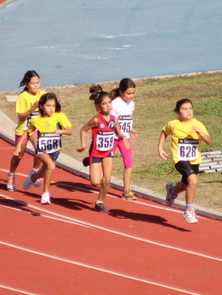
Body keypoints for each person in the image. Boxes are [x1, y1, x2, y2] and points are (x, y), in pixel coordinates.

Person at [158, 99, 212, 224]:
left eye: (190, 108)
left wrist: (201, 133)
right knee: (193, 180)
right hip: (180, 159)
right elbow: (164, 132)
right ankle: (188, 210)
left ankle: (172, 191)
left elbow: (209, 140)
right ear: (177, 112)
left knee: (186, 184)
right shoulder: (173, 124)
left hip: (194, 160)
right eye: (184, 109)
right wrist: (160, 148)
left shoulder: (198, 124)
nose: (188, 111)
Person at [77, 85, 128, 213]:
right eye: (104, 104)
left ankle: (100, 202)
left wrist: (124, 138)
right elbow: (83, 130)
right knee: (94, 182)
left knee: (107, 179)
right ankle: (89, 160)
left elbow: (118, 132)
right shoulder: (96, 120)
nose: (108, 106)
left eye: (109, 103)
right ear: (99, 106)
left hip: (108, 152)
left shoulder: (113, 119)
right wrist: (83, 144)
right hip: (95, 152)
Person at [14, 93, 72, 205]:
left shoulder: (60, 116)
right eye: (48, 105)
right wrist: (18, 145)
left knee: (44, 171)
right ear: (41, 106)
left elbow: (69, 131)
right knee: (51, 166)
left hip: (54, 149)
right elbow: (27, 133)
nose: (51, 108)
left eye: (53, 106)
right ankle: (45, 194)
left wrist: (62, 131)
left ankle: (32, 178)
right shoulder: (36, 119)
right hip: (41, 149)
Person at [7, 70, 46, 191]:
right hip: (23, 129)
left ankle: (34, 172)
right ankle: (11, 174)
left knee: (40, 149)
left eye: (38, 82)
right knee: (19, 155)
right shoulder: (23, 97)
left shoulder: (44, 95)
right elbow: (20, 116)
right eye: (33, 83)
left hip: (36, 129)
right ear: (26, 84)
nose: (36, 85)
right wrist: (32, 109)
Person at [110, 78, 138, 200]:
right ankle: (93, 160)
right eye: (129, 93)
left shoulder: (131, 104)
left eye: (133, 93)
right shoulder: (115, 104)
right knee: (108, 163)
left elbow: (127, 118)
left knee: (129, 164)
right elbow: (114, 122)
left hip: (125, 138)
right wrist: (121, 135)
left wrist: (131, 129)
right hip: (113, 138)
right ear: (121, 92)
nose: (131, 96)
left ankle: (126, 190)